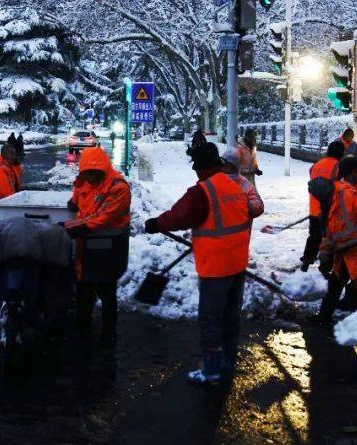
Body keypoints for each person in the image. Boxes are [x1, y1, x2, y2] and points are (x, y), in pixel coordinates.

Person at [144, 143, 263, 385]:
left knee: (210, 318)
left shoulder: (201, 192)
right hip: (237, 263)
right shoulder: (234, 186)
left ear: (199, 169)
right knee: (230, 316)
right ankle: (228, 362)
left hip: (216, 267)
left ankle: (211, 371)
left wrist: (156, 223)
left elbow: (180, 216)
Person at [64, 146, 131, 348]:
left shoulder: (118, 187)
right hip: (86, 245)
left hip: (109, 248)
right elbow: (78, 196)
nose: (91, 178)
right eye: (87, 173)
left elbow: (103, 218)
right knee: (83, 288)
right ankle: (82, 331)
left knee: (107, 290)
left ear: (102, 169)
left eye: (94, 173)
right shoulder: (84, 180)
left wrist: (71, 227)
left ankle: (109, 334)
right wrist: (73, 203)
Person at [308, 156, 357, 323]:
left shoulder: (351, 194)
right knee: (336, 281)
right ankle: (324, 316)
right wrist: (326, 248)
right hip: (344, 250)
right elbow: (332, 228)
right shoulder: (333, 199)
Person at [302, 140, 347, 271]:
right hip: (328, 211)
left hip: (314, 208)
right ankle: (325, 269)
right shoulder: (339, 167)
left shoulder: (316, 165)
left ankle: (306, 261)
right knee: (329, 240)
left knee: (314, 237)